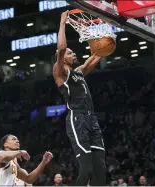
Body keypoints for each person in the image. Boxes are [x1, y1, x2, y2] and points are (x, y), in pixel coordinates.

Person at [53, 10, 106, 186]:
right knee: (87, 170)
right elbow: (60, 48)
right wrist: (62, 23)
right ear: (62, 58)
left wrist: (101, 34)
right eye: (70, 53)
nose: (74, 54)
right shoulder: (60, 71)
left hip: (91, 118)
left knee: (100, 170)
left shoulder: (78, 72)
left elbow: (98, 54)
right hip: (77, 118)